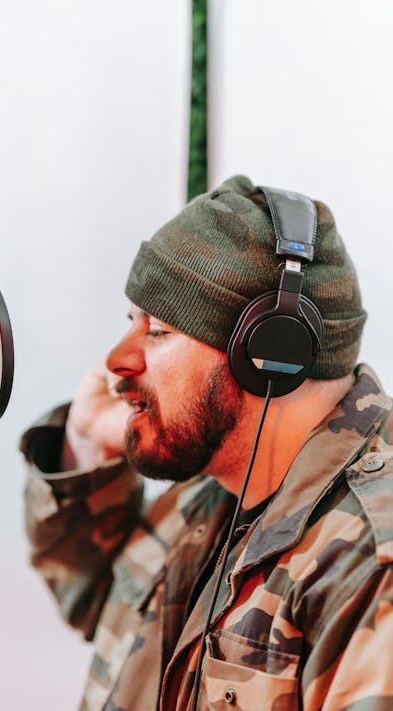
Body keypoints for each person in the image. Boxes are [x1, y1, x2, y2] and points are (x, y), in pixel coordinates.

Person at [21, 176, 393, 710]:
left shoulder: (370, 564)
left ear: (268, 351)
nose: (116, 360)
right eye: (132, 322)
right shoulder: (212, 486)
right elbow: (97, 602)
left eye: (159, 331)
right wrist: (86, 445)